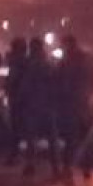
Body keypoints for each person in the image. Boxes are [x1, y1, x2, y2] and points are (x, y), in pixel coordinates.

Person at [54, 35, 93, 179]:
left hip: (72, 105)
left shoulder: (67, 62)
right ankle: (85, 168)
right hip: (83, 105)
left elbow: (60, 82)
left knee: (71, 139)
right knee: (84, 138)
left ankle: (69, 169)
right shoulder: (86, 61)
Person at [17, 37, 59, 176]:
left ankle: (31, 165)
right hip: (48, 106)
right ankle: (55, 167)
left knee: (32, 138)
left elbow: (25, 85)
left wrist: (21, 99)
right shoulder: (49, 64)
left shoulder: (32, 65)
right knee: (51, 138)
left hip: (34, 106)